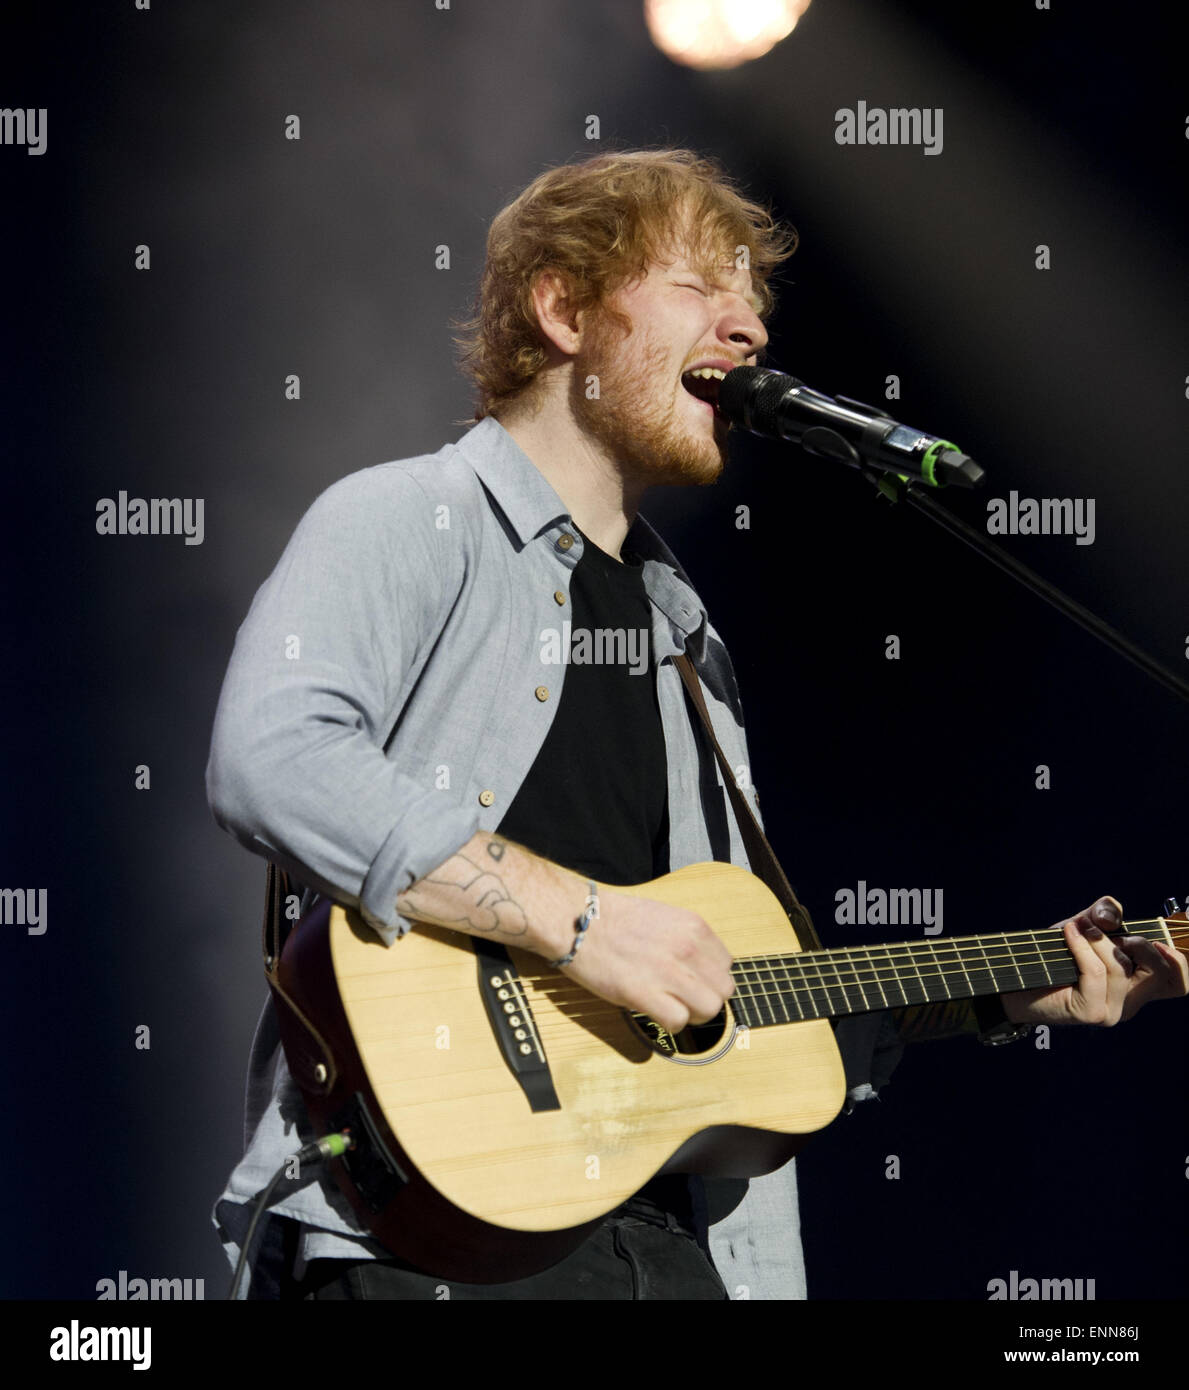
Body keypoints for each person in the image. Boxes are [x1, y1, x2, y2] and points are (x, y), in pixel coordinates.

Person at [206, 148, 1188, 1301]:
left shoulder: (686, 636)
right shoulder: (411, 518)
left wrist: (1017, 989)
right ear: (564, 308)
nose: (750, 330)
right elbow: (272, 759)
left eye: (756, 304)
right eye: (698, 288)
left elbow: (735, 999)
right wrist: (579, 925)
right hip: (431, 1237)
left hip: (676, 1254)